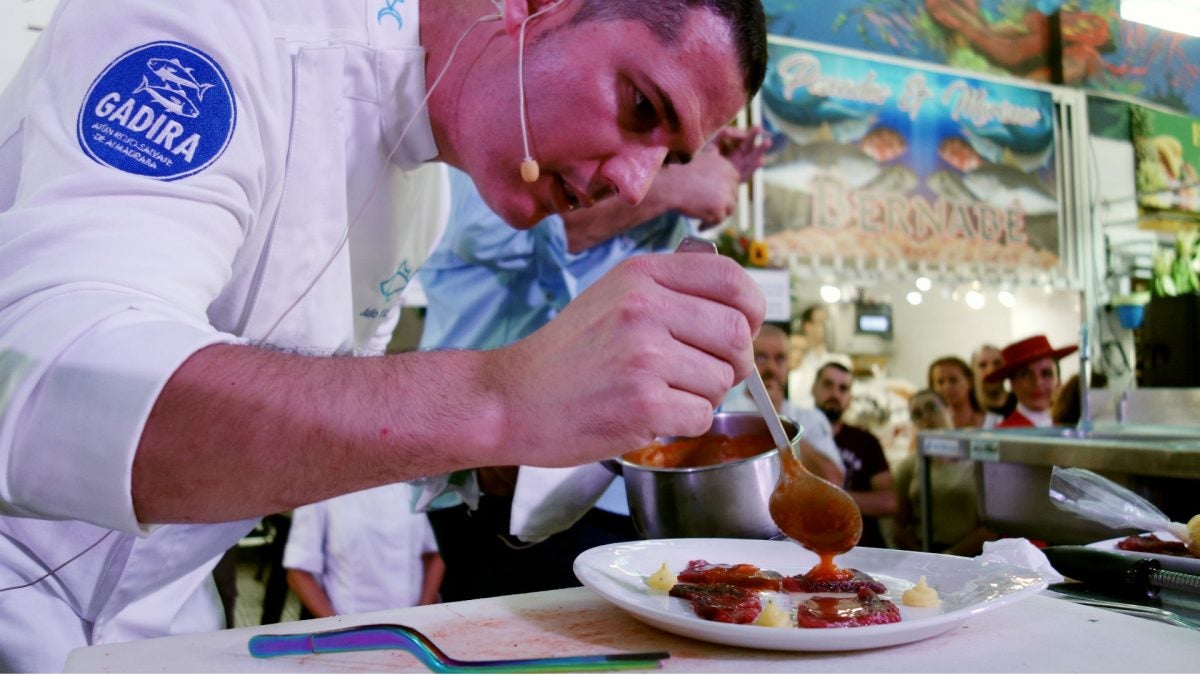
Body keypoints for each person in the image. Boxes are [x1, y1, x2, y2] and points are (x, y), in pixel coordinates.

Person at [0, 1, 768, 669]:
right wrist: (498, 397)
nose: (636, 184)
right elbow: (47, 396)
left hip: (158, 625)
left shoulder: (423, 193)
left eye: (668, 157)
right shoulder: (217, 21)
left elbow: (319, 431)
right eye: (640, 107)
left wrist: (534, 451)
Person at [419, 126, 767, 601]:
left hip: (622, 484)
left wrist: (689, 180)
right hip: (496, 478)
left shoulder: (648, 197)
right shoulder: (490, 149)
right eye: (650, 109)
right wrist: (675, 187)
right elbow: (507, 230)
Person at [283, 483, 443, 617]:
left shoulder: (412, 482)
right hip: (353, 626)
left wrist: (421, 612)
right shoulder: (323, 487)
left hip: (410, 629)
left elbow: (434, 554)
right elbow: (299, 571)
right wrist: (339, 630)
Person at [721, 324, 845, 485]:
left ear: (788, 363)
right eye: (760, 357)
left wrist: (775, 418)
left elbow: (833, 479)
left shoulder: (811, 419)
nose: (771, 367)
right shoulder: (724, 417)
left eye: (779, 358)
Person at [891, 390, 996, 555]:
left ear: (949, 409)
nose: (926, 417)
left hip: (974, 554)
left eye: (932, 407)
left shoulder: (980, 461)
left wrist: (950, 555)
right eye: (917, 414)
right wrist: (922, 558)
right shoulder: (909, 466)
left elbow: (992, 527)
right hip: (925, 553)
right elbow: (898, 526)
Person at [811, 362, 895, 549]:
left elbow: (889, 502)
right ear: (813, 389)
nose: (835, 394)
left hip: (862, 548)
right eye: (828, 384)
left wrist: (833, 498)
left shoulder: (866, 442)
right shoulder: (796, 436)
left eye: (843, 388)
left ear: (849, 398)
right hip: (809, 546)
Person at [985, 335, 1078, 429]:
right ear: (1012, 384)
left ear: (1057, 381)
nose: (1038, 382)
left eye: (1046, 374)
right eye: (1025, 374)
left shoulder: (1066, 430)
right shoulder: (1003, 434)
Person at [787, 304, 850, 407]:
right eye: (821, 322)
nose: (826, 326)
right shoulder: (797, 363)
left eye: (827, 322)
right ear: (808, 326)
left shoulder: (840, 361)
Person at [927, 356, 985, 429]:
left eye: (953, 380)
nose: (946, 387)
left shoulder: (992, 422)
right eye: (940, 382)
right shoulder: (927, 427)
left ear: (970, 382)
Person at [971, 344, 1018, 422]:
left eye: (997, 363)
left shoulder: (1020, 404)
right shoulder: (967, 406)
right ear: (973, 371)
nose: (991, 371)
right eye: (982, 365)